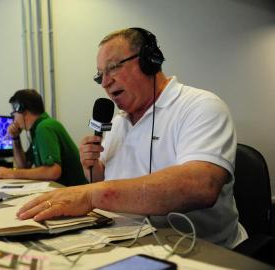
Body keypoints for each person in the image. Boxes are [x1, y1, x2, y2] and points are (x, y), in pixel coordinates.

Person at [17, 28, 247, 248]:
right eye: (100, 75)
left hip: (200, 250)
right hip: (126, 241)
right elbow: (104, 178)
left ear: (149, 61)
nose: (105, 82)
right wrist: (93, 167)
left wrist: (92, 194)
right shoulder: (117, 123)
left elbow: (200, 185)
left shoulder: (201, 106)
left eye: (113, 67)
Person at [0, 89, 87, 187]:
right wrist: (15, 138)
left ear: (22, 111)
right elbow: (24, 165)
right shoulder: (38, 128)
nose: (14, 119)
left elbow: (53, 171)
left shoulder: (44, 128)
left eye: (14, 113)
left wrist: (10, 173)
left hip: (74, 193)